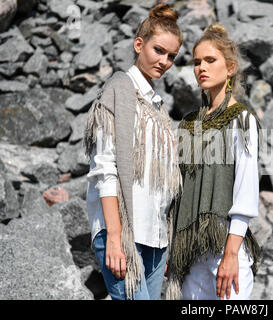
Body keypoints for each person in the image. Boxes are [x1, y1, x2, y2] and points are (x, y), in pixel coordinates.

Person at [83, 4, 183, 300]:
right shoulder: (119, 90)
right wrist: (114, 237)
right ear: (139, 45)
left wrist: (164, 240)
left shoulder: (158, 106)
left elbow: (163, 184)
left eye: (172, 56)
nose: (164, 61)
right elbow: (105, 169)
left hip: (155, 240)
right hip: (124, 234)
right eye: (158, 50)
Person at [166, 24, 262, 300]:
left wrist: (231, 256)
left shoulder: (242, 120)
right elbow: (178, 193)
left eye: (210, 60)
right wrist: (175, 250)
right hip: (192, 256)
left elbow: (245, 193)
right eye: (197, 62)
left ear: (230, 68)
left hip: (226, 249)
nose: (201, 68)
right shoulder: (188, 124)